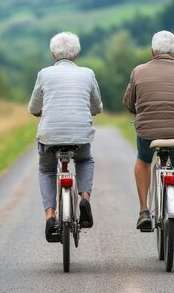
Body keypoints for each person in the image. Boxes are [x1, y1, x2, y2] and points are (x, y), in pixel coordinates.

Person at [122, 30, 174, 239]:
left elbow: (129, 103)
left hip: (148, 132)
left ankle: (144, 211)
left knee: (143, 160)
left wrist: (140, 111)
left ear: (152, 51)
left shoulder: (138, 71)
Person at [28, 31, 103, 242]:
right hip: (80, 135)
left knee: (46, 169)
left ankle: (50, 216)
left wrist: (37, 112)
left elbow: (33, 106)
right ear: (77, 54)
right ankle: (85, 199)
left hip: (50, 136)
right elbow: (97, 105)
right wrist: (93, 111)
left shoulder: (44, 74)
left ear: (53, 54)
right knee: (85, 159)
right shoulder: (88, 74)